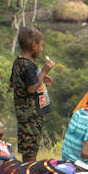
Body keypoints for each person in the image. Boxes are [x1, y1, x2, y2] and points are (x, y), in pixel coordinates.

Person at [9, 26, 56, 162]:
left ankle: (27, 172)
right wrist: (44, 72)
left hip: (25, 114)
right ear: (34, 46)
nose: (41, 49)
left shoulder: (18, 62)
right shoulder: (28, 65)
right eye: (41, 45)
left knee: (29, 147)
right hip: (31, 115)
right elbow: (31, 88)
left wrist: (40, 78)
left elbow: (13, 83)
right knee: (30, 149)